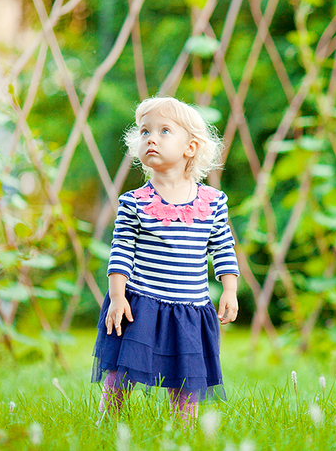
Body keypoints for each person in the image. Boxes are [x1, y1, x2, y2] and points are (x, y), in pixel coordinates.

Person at [92, 95, 239, 423]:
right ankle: (107, 424)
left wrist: (229, 290)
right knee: (121, 372)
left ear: (191, 147)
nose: (151, 138)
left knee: (186, 379)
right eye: (144, 131)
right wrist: (117, 297)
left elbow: (223, 247)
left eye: (164, 131)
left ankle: (183, 432)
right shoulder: (134, 202)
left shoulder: (213, 202)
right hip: (140, 305)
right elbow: (121, 251)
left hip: (190, 309)